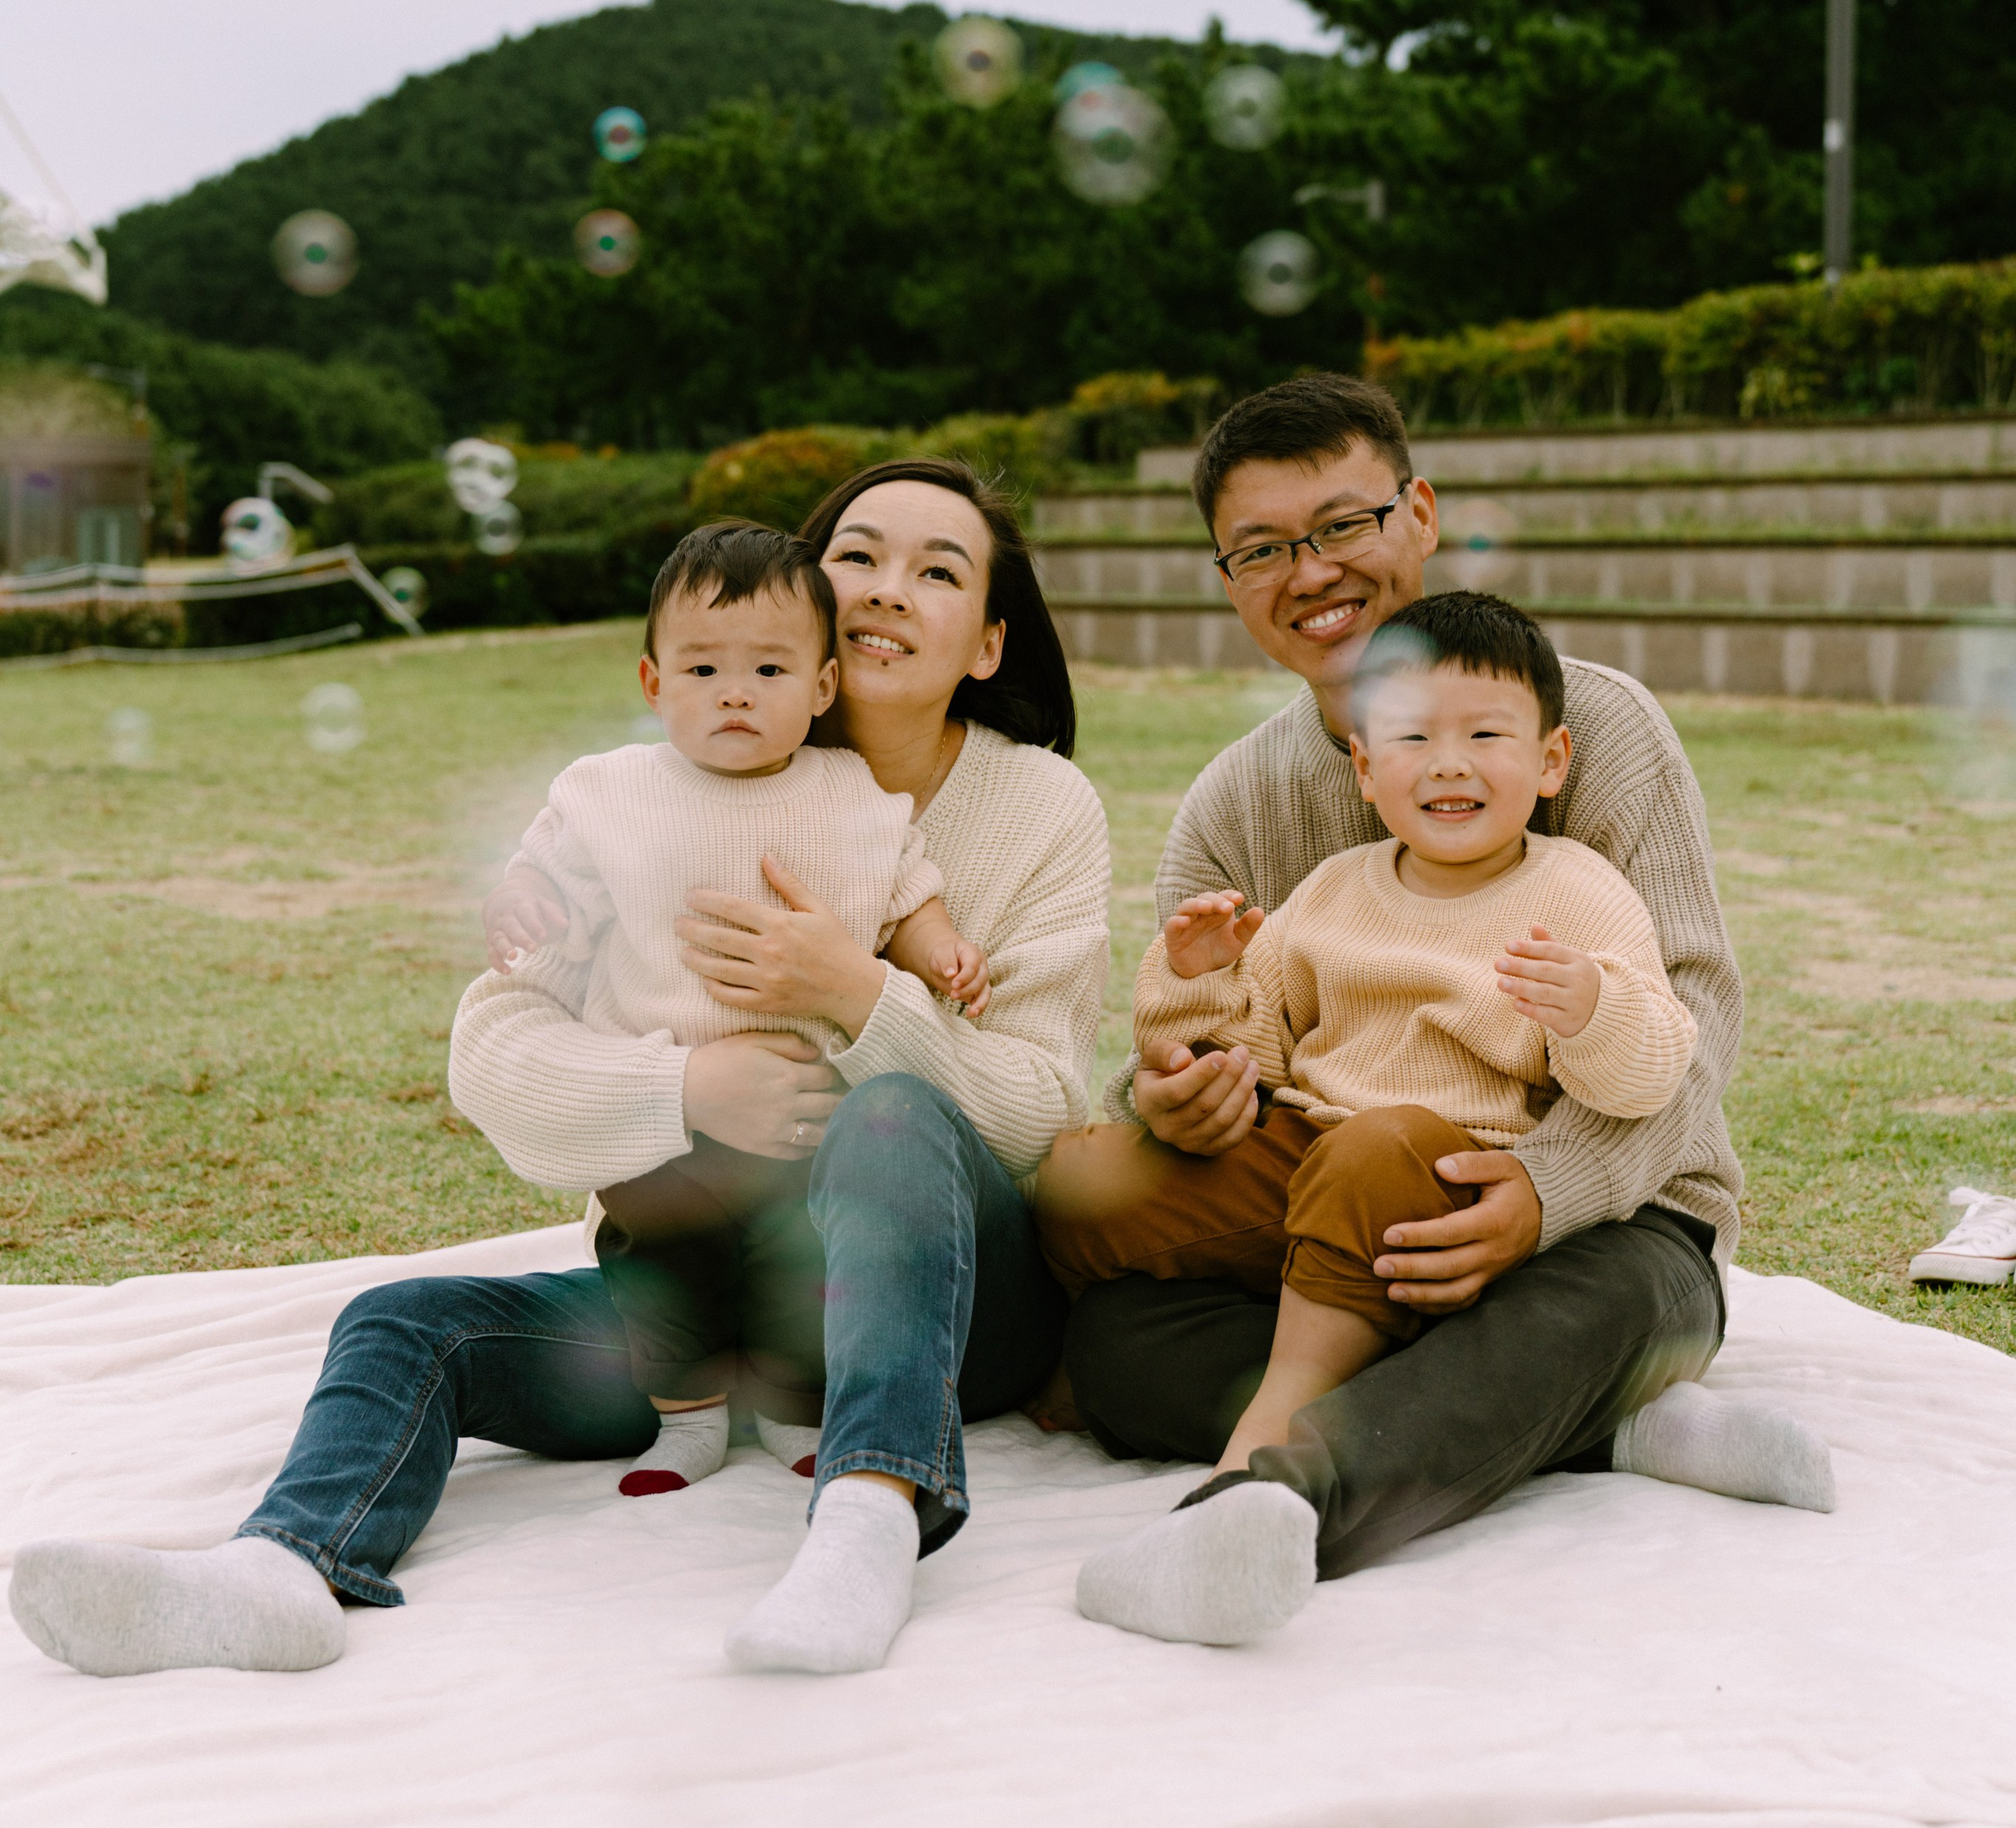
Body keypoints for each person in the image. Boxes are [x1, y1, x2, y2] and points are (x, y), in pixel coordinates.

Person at [11, 459, 1110, 1684]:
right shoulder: (639, 801)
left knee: (893, 1118)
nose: (887, 589)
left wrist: (852, 994)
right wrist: (683, 1093)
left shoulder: (1040, 809)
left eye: (938, 569)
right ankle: (279, 1571)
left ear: (990, 643)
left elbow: (1044, 1117)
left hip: (947, 1302)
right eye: (857, 555)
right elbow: (495, 1048)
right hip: (699, 1304)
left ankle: (868, 1520)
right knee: (403, 1323)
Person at [1040, 372, 1831, 1652]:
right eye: (1264, 548)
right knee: (1126, 1345)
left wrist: (1544, 1191)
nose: (1312, 571)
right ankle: (1584, 1418)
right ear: (1228, 580)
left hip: (1608, 1225)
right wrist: (1179, 1098)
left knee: (1610, 1304)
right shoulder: (1232, 804)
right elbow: (1210, 1026)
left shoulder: (1593, 724)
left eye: (1344, 525)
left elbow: (1693, 1011)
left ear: (1419, 515)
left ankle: (1273, 1504)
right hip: (1329, 1227)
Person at [1048, 590, 1699, 1481]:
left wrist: (1594, 1009)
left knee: (1373, 1146)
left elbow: (1654, 1069)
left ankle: (1266, 1443)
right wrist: (1197, 982)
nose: (1447, 766)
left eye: (1485, 736)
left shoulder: (1574, 891)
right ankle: (1040, 1355)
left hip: (1445, 1173)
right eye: (1413, 738)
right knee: (1075, 1176)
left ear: (1551, 762)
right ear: (1363, 766)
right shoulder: (1330, 889)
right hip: (1307, 1159)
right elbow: (1252, 1053)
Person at [469, 516, 989, 1453]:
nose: (735, 695)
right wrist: (518, 899)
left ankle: (797, 1411)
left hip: (806, 1127)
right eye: (703, 671)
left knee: (806, 1267)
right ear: (653, 683)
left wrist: (938, 943)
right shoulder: (609, 792)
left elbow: (904, 885)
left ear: (823, 685)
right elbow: (548, 873)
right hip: (663, 1130)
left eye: (769, 671)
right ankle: (686, 1417)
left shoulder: (849, 792)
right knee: (661, 1268)